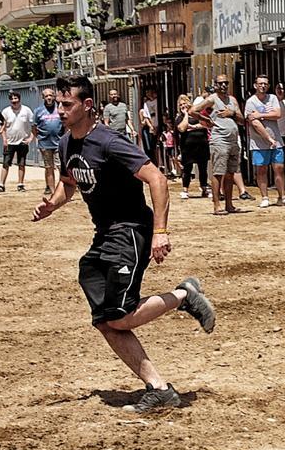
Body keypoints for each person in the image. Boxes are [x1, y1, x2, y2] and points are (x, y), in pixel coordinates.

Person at [33, 74, 216, 414]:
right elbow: (69, 183)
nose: (60, 110)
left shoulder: (109, 141)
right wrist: (52, 204)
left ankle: (183, 296)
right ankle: (159, 388)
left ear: (87, 106)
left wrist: (161, 232)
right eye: (58, 104)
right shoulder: (66, 143)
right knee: (106, 320)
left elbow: (157, 178)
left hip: (130, 230)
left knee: (122, 315)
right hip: (103, 235)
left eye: (67, 104)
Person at [197, 74, 242, 215]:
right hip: (219, 140)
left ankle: (229, 204)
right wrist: (206, 120)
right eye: (220, 83)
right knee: (218, 173)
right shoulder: (212, 99)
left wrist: (232, 113)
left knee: (230, 173)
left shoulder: (232, 100)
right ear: (215, 85)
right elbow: (193, 110)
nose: (223, 86)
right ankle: (217, 205)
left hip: (233, 140)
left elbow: (242, 119)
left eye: (226, 83)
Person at [244, 74, 285, 207]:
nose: (263, 86)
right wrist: (267, 138)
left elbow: (278, 114)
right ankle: (265, 197)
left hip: (277, 140)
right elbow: (254, 122)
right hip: (258, 142)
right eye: (260, 83)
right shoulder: (251, 102)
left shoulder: (273, 98)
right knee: (261, 170)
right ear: (255, 85)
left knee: (279, 168)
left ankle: (282, 196)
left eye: (265, 84)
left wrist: (261, 115)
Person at [0, 91, 35, 193]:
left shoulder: (26, 110)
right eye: (12, 99)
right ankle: (1, 184)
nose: (14, 101)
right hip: (10, 142)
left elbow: (33, 125)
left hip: (22, 141)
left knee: (21, 163)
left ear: (19, 99)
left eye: (16, 99)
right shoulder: (5, 112)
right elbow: (2, 127)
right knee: (6, 163)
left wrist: (31, 138)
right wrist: (4, 139)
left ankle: (20, 184)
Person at [176, 93, 210, 199]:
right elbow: (182, 128)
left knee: (202, 168)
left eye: (185, 103)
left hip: (201, 144)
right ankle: (185, 189)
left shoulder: (197, 114)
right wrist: (186, 114)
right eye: (181, 104)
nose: (183, 106)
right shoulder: (179, 117)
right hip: (187, 146)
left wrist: (193, 126)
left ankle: (204, 188)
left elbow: (205, 124)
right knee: (187, 168)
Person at [34, 87, 63, 197]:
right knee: (49, 167)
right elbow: (34, 127)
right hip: (45, 144)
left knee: (61, 167)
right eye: (46, 96)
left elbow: (65, 125)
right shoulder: (38, 111)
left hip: (59, 143)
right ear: (43, 98)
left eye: (51, 95)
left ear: (54, 96)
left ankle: (62, 191)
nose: (49, 98)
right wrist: (39, 138)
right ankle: (52, 191)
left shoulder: (60, 109)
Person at [139, 87, 160, 167]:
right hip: (152, 125)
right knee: (150, 147)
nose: (148, 94)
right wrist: (151, 126)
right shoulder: (146, 104)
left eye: (149, 91)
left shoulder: (157, 101)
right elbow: (146, 116)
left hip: (158, 123)